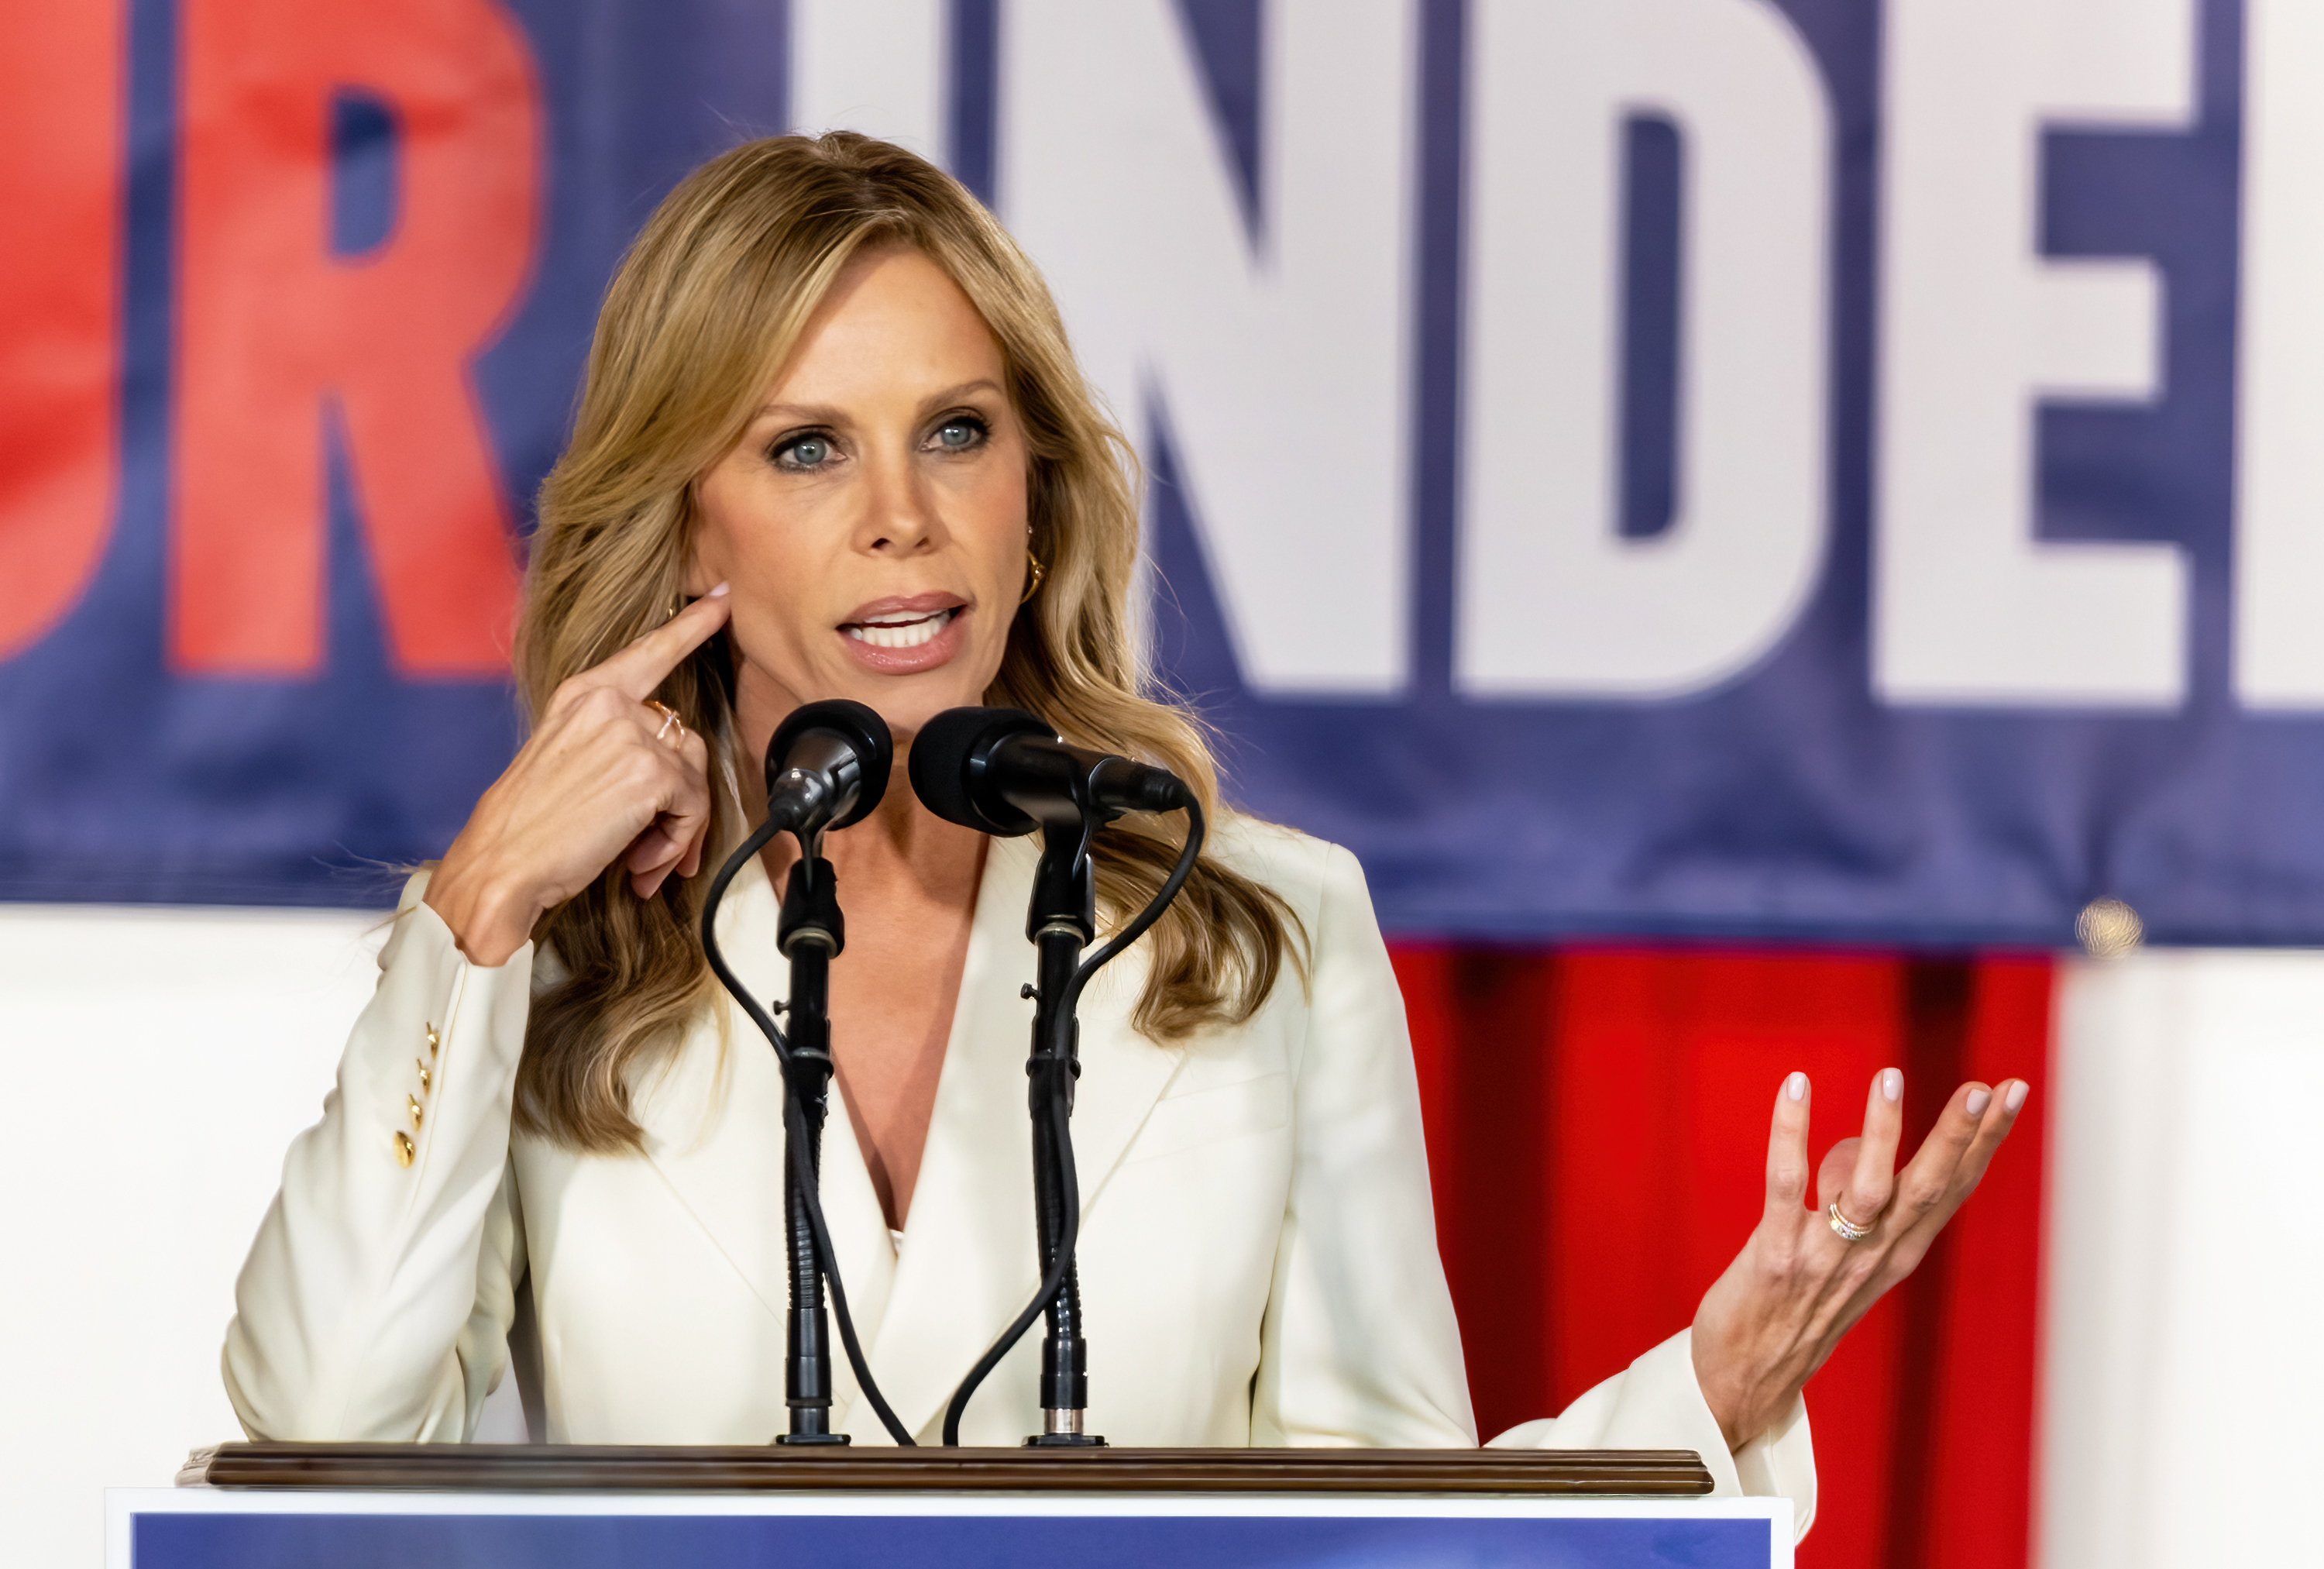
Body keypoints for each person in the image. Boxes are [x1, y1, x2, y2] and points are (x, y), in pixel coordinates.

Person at [222, 132, 2026, 1534]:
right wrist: (474, 910)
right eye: (803, 450)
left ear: (1038, 488)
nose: (901, 519)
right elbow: (309, 1456)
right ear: (687, 528)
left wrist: (1710, 1392)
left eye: (955, 429)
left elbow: (1386, 1537)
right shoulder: (540, 958)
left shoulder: (1263, 932)